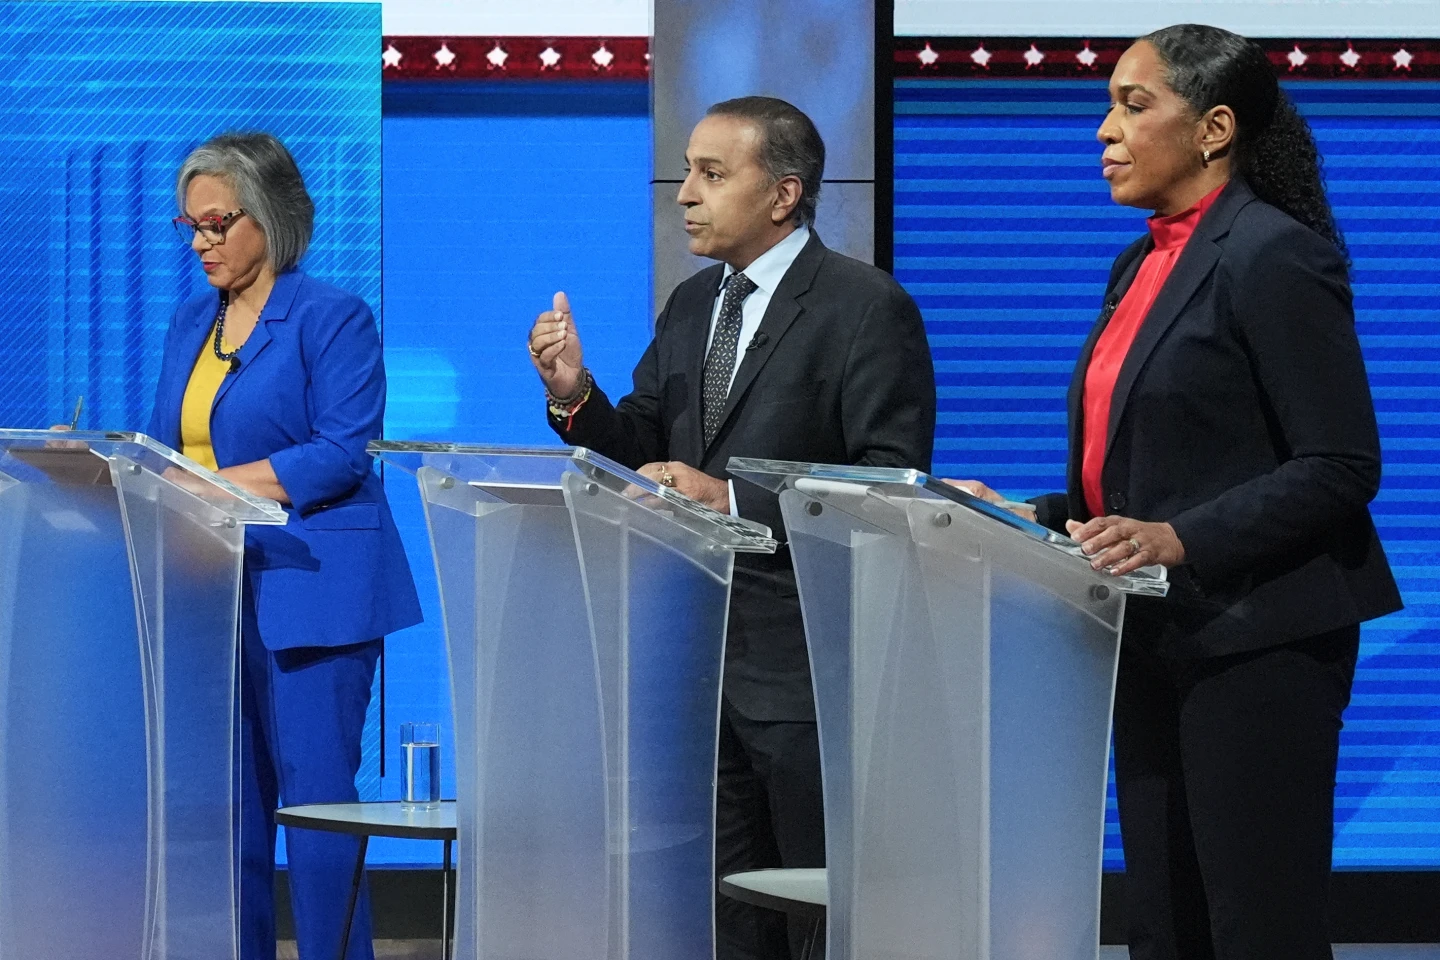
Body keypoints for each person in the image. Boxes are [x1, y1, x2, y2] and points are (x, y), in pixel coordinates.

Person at [953, 25, 1401, 960]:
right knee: (1163, 923)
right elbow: (1158, 464)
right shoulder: (1140, 262)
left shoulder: (1273, 254)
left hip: (1260, 640)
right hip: (1155, 634)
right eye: (1109, 105)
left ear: (1214, 128)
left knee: (1256, 928)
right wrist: (1035, 514)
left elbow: (1340, 464)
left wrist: (1179, 538)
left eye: (1133, 104)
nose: (1105, 130)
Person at [527, 96, 935, 960]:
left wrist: (734, 501)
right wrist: (575, 394)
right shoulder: (691, 304)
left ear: (784, 194)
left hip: (807, 668)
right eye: (687, 172)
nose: (685, 193)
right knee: (727, 911)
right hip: (695, 659)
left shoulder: (865, 307)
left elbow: (887, 484)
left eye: (712, 174)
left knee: (820, 907)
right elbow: (646, 443)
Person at [151, 132, 422, 960]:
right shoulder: (191, 320)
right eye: (189, 226)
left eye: (217, 223)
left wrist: (213, 484)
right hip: (210, 593)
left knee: (314, 809)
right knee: (228, 809)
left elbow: (341, 451)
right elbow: (167, 447)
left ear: (268, 218)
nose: (200, 242)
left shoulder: (332, 317)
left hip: (313, 589)